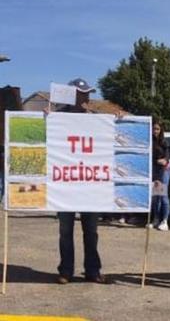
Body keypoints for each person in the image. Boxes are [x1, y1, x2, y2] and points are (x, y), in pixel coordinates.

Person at [48, 78, 108, 284]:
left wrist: (118, 119)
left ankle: (92, 270)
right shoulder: (58, 117)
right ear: (71, 95)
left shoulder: (95, 118)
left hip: (89, 186)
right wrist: (45, 118)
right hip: (65, 186)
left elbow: (110, 135)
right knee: (65, 232)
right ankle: (66, 271)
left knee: (91, 232)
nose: (86, 98)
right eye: (81, 93)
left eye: (88, 93)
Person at [149, 121, 170, 231]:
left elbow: (167, 158)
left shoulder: (164, 142)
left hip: (163, 171)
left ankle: (165, 220)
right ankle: (156, 219)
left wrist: (164, 160)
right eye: (154, 129)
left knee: (163, 197)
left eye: (157, 129)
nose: (155, 131)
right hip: (154, 171)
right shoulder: (149, 141)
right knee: (156, 196)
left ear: (161, 130)